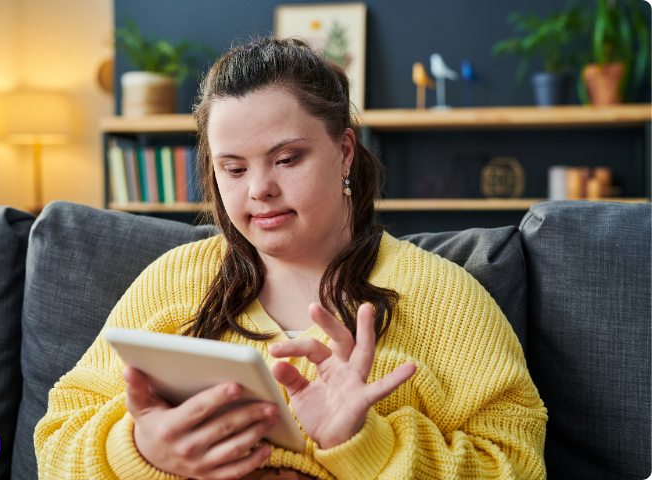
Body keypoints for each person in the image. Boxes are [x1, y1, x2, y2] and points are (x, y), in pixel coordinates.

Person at [35, 37, 547, 480]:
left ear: (344, 151)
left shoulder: (442, 296)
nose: (260, 189)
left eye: (286, 159)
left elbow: (518, 464)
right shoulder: (172, 283)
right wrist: (140, 450)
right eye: (233, 169)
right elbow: (55, 442)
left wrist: (368, 444)